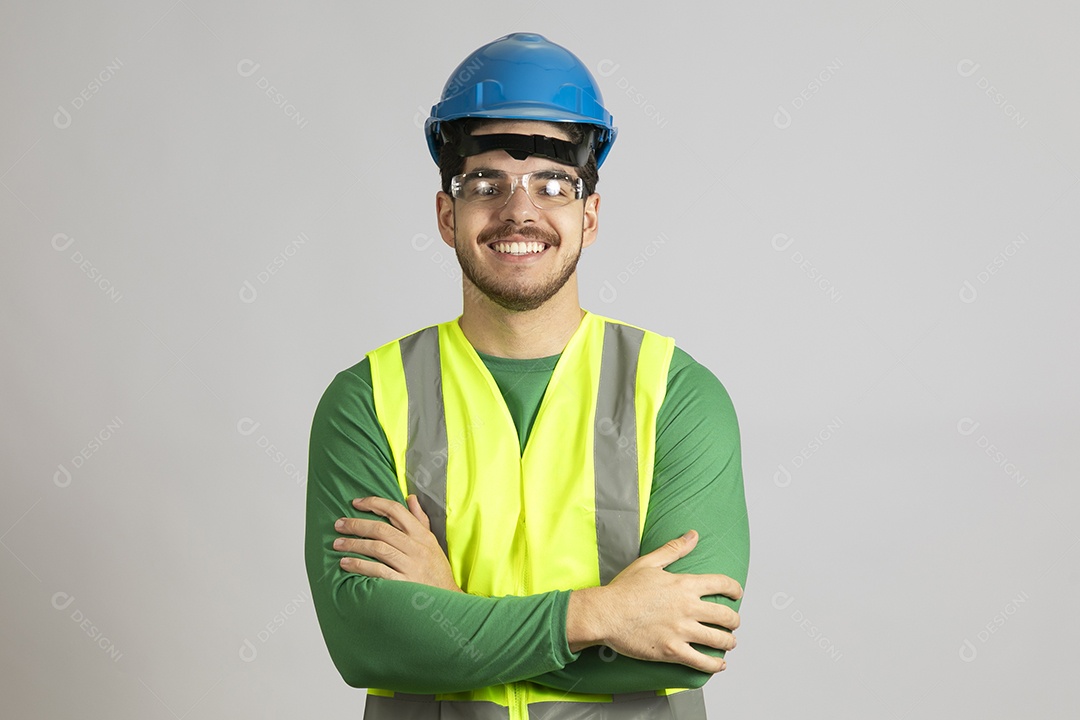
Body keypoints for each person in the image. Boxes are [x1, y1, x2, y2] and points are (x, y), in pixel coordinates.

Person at [305, 32, 750, 720]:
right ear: (447, 216)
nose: (520, 211)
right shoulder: (366, 399)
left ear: (589, 216)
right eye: (486, 183)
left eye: (553, 184)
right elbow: (366, 641)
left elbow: (691, 642)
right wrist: (603, 614)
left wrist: (449, 617)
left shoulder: (677, 395)